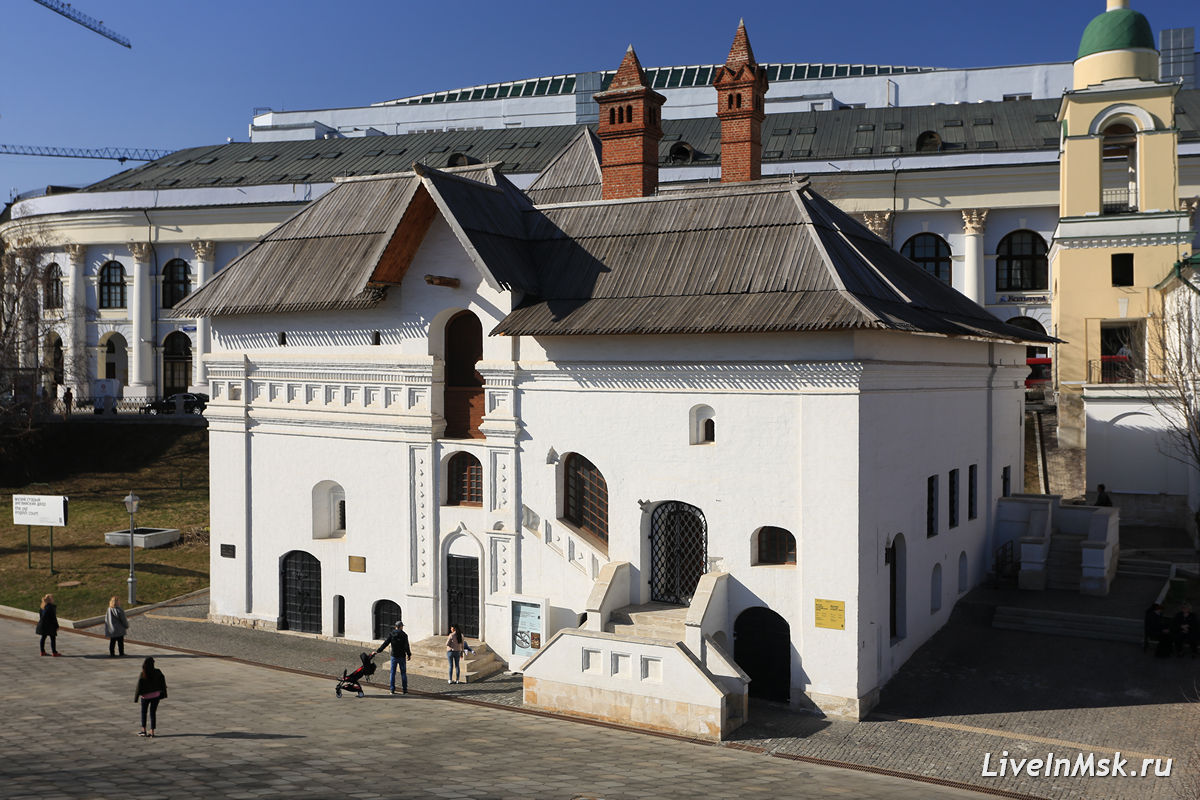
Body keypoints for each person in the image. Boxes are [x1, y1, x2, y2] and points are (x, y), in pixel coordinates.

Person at [374, 620, 411, 695]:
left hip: (394, 656)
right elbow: (406, 646)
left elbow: (385, 643)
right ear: (401, 627)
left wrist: (378, 651)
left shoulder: (391, 634)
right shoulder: (404, 635)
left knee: (392, 673)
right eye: (402, 626)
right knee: (403, 673)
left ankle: (392, 689)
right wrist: (409, 654)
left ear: (395, 627)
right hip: (402, 656)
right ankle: (405, 690)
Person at [134, 657, 167, 737]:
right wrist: (163, 693)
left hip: (145, 697)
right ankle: (152, 731)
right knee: (153, 713)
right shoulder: (158, 672)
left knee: (144, 713)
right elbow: (163, 682)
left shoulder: (143, 673)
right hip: (155, 696)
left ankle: (143, 730)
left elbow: (139, 687)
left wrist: (136, 698)